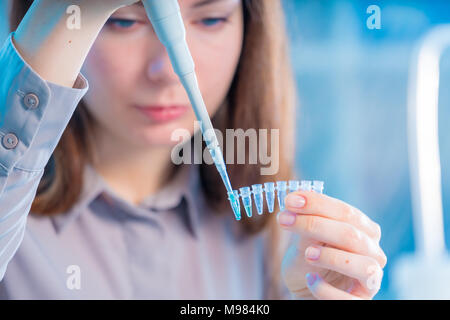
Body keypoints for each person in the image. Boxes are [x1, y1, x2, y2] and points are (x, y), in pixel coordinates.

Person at [0, 0, 386, 299]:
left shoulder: (275, 232)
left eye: (211, 19)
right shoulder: (12, 207)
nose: (167, 69)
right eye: (124, 21)